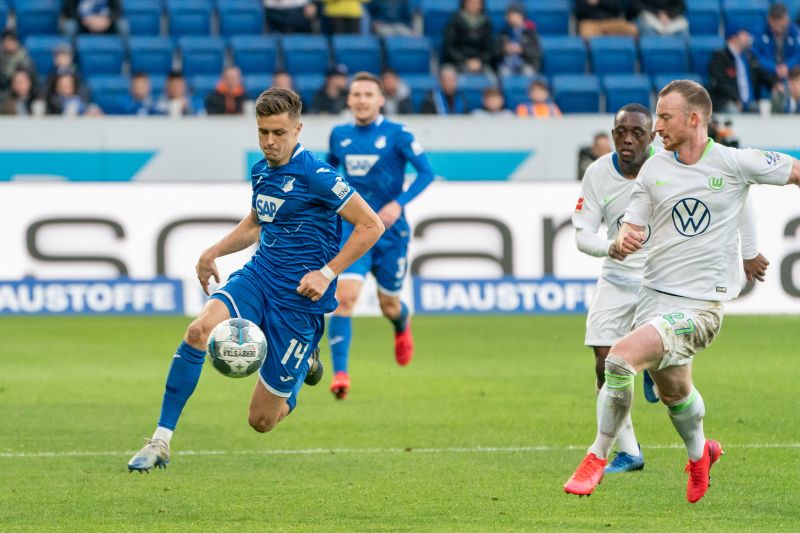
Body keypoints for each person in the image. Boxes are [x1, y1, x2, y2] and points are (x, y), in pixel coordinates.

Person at [564, 79, 800, 502]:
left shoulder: (734, 161)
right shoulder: (655, 168)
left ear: (693, 120)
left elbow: (796, 172)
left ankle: (597, 456)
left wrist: (750, 251)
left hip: (699, 308)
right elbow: (633, 224)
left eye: (664, 117)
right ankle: (700, 453)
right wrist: (625, 239)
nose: (656, 127)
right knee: (676, 393)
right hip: (651, 299)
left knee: (617, 360)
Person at [127, 87, 384, 472]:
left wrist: (327, 273)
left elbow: (371, 225)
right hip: (258, 277)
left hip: (298, 301)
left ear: (298, 130)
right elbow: (256, 222)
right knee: (198, 331)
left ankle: (305, 366)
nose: (269, 141)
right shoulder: (261, 171)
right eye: (263, 132)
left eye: (278, 133)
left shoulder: (318, 175)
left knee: (262, 421)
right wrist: (213, 252)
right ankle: (160, 440)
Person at [325, 72, 435, 400]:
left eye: (368, 95)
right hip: (353, 228)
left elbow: (427, 172)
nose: (361, 100)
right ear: (349, 100)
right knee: (344, 298)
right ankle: (341, 373)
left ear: (380, 99)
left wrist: (398, 204)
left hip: (390, 233)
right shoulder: (339, 135)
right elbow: (329, 171)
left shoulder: (398, 134)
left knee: (389, 304)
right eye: (356, 94)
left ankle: (401, 324)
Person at [708, 26, 777, 113]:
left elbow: (762, 74)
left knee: (763, 109)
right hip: (728, 101)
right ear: (733, 37)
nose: (748, 37)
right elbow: (720, 83)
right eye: (744, 34)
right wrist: (736, 98)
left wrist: (774, 84)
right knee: (732, 109)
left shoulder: (749, 57)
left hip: (750, 103)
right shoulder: (720, 57)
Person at [442, 0, 495, 74]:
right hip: (457, 62)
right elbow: (449, 47)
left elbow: (489, 48)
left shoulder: (486, 22)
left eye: (477, 3)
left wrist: (480, 61)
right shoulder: (455, 21)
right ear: (464, 3)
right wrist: (465, 61)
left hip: (480, 63)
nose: (474, 5)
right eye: (471, 2)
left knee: (492, 80)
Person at [753, 3, 800, 83]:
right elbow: (755, 55)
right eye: (775, 23)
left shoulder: (795, 31)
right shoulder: (759, 31)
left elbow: (798, 54)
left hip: (790, 70)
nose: (779, 27)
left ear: (787, 19)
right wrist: (774, 68)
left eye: (781, 23)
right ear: (769, 20)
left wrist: (787, 66)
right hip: (767, 73)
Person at [498, 2, 541, 76]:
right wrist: (504, 49)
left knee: (528, 72)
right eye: (508, 15)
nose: (509, 17)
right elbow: (495, 51)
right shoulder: (504, 31)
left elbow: (537, 52)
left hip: (526, 64)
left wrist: (521, 49)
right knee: (504, 72)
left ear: (520, 15)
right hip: (507, 65)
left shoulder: (530, 32)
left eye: (512, 14)